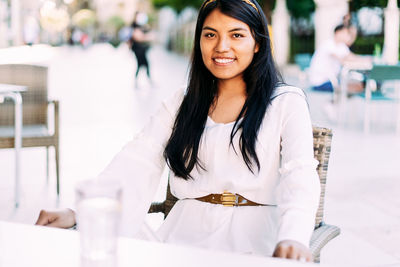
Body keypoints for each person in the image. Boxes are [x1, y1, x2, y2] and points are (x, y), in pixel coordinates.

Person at [35, 0, 320, 262]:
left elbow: (300, 174)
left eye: (236, 35)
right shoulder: (183, 102)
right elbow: (138, 158)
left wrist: (293, 236)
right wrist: (78, 213)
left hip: (256, 237)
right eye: (210, 35)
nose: (221, 46)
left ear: (257, 43)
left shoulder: (286, 102)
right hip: (183, 237)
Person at [308, 24, 370, 94]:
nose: (347, 36)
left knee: (358, 85)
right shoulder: (328, 44)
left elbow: (352, 57)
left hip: (333, 80)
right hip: (320, 82)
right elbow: (342, 59)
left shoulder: (342, 46)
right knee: (355, 86)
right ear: (337, 33)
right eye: (345, 33)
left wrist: (366, 58)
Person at [129, 12, 154, 88]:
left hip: (141, 49)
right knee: (141, 65)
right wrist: (146, 37)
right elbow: (138, 37)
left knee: (145, 64)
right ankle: (138, 82)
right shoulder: (134, 25)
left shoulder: (142, 26)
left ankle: (145, 81)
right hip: (137, 49)